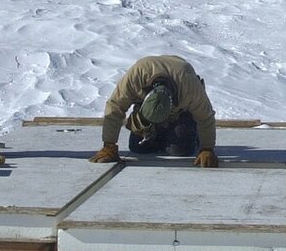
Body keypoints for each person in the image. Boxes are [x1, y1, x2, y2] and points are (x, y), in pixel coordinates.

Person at [90, 55, 219, 167]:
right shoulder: (136, 76)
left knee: (179, 151)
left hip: (180, 113)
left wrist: (206, 148)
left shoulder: (189, 85)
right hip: (147, 111)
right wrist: (109, 145)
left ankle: (185, 133)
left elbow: (205, 117)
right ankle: (155, 131)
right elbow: (115, 107)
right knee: (138, 148)